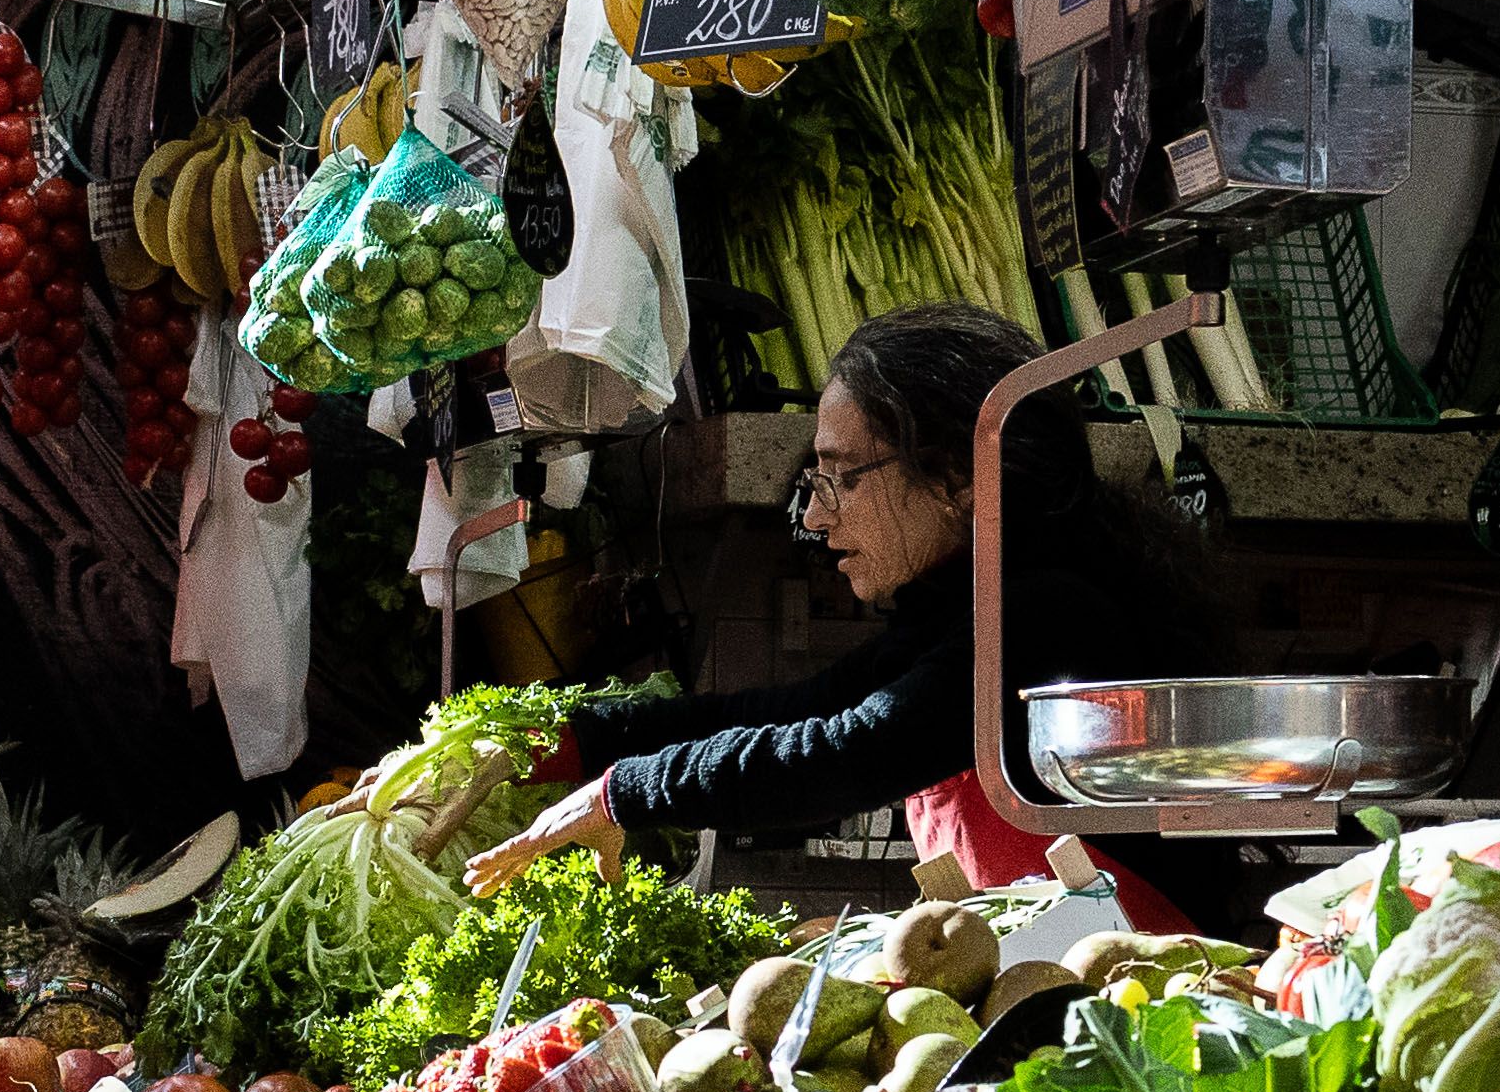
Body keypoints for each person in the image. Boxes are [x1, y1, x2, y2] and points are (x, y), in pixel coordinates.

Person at [467, 302, 1235, 933]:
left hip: (1148, 1002)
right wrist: (557, 741)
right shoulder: (970, 603)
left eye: (841, 477)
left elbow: (847, 750)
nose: (817, 516)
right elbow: (805, 709)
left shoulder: (1048, 613)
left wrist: (623, 791)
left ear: (955, 478)